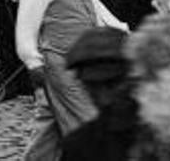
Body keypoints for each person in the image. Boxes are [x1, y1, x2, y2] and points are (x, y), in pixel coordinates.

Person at [15, 0, 127, 161]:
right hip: (58, 62)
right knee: (86, 121)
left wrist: (122, 29)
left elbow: (96, 7)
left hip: (80, 61)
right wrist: (32, 61)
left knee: (49, 122)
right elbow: (26, 25)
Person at [59, 27, 142, 161]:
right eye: (92, 87)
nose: (104, 100)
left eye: (112, 84)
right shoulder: (80, 147)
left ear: (135, 78)